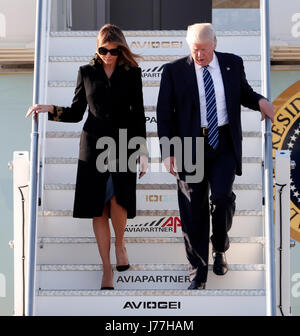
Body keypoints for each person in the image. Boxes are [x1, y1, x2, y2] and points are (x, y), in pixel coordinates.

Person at [26, 24, 148, 290]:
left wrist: (142, 150)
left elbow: (138, 113)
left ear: (121, 49)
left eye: (113, 51)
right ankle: (106, 268)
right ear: (97, 48)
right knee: (98, 208)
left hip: (124, 143)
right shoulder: (86, 72)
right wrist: (48, 109)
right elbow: (76, 111)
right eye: (103, 50)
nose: (108, 55)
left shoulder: (131, 74)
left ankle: (120, 244)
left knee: (118, 199)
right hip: (92, 146)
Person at [157, 23, 274, 290]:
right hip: (189, 145)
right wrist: (168, 152)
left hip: (223, 143)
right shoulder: (174, 71)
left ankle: (219, 246)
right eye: (195, 50)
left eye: (204, 50)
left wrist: (259, 101)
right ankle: (198, 272)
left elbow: (243, 93)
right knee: (193, 211)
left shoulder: (232, 63)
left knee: (221, 198)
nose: (199, 55)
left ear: (215, 44)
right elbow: (164, 114)